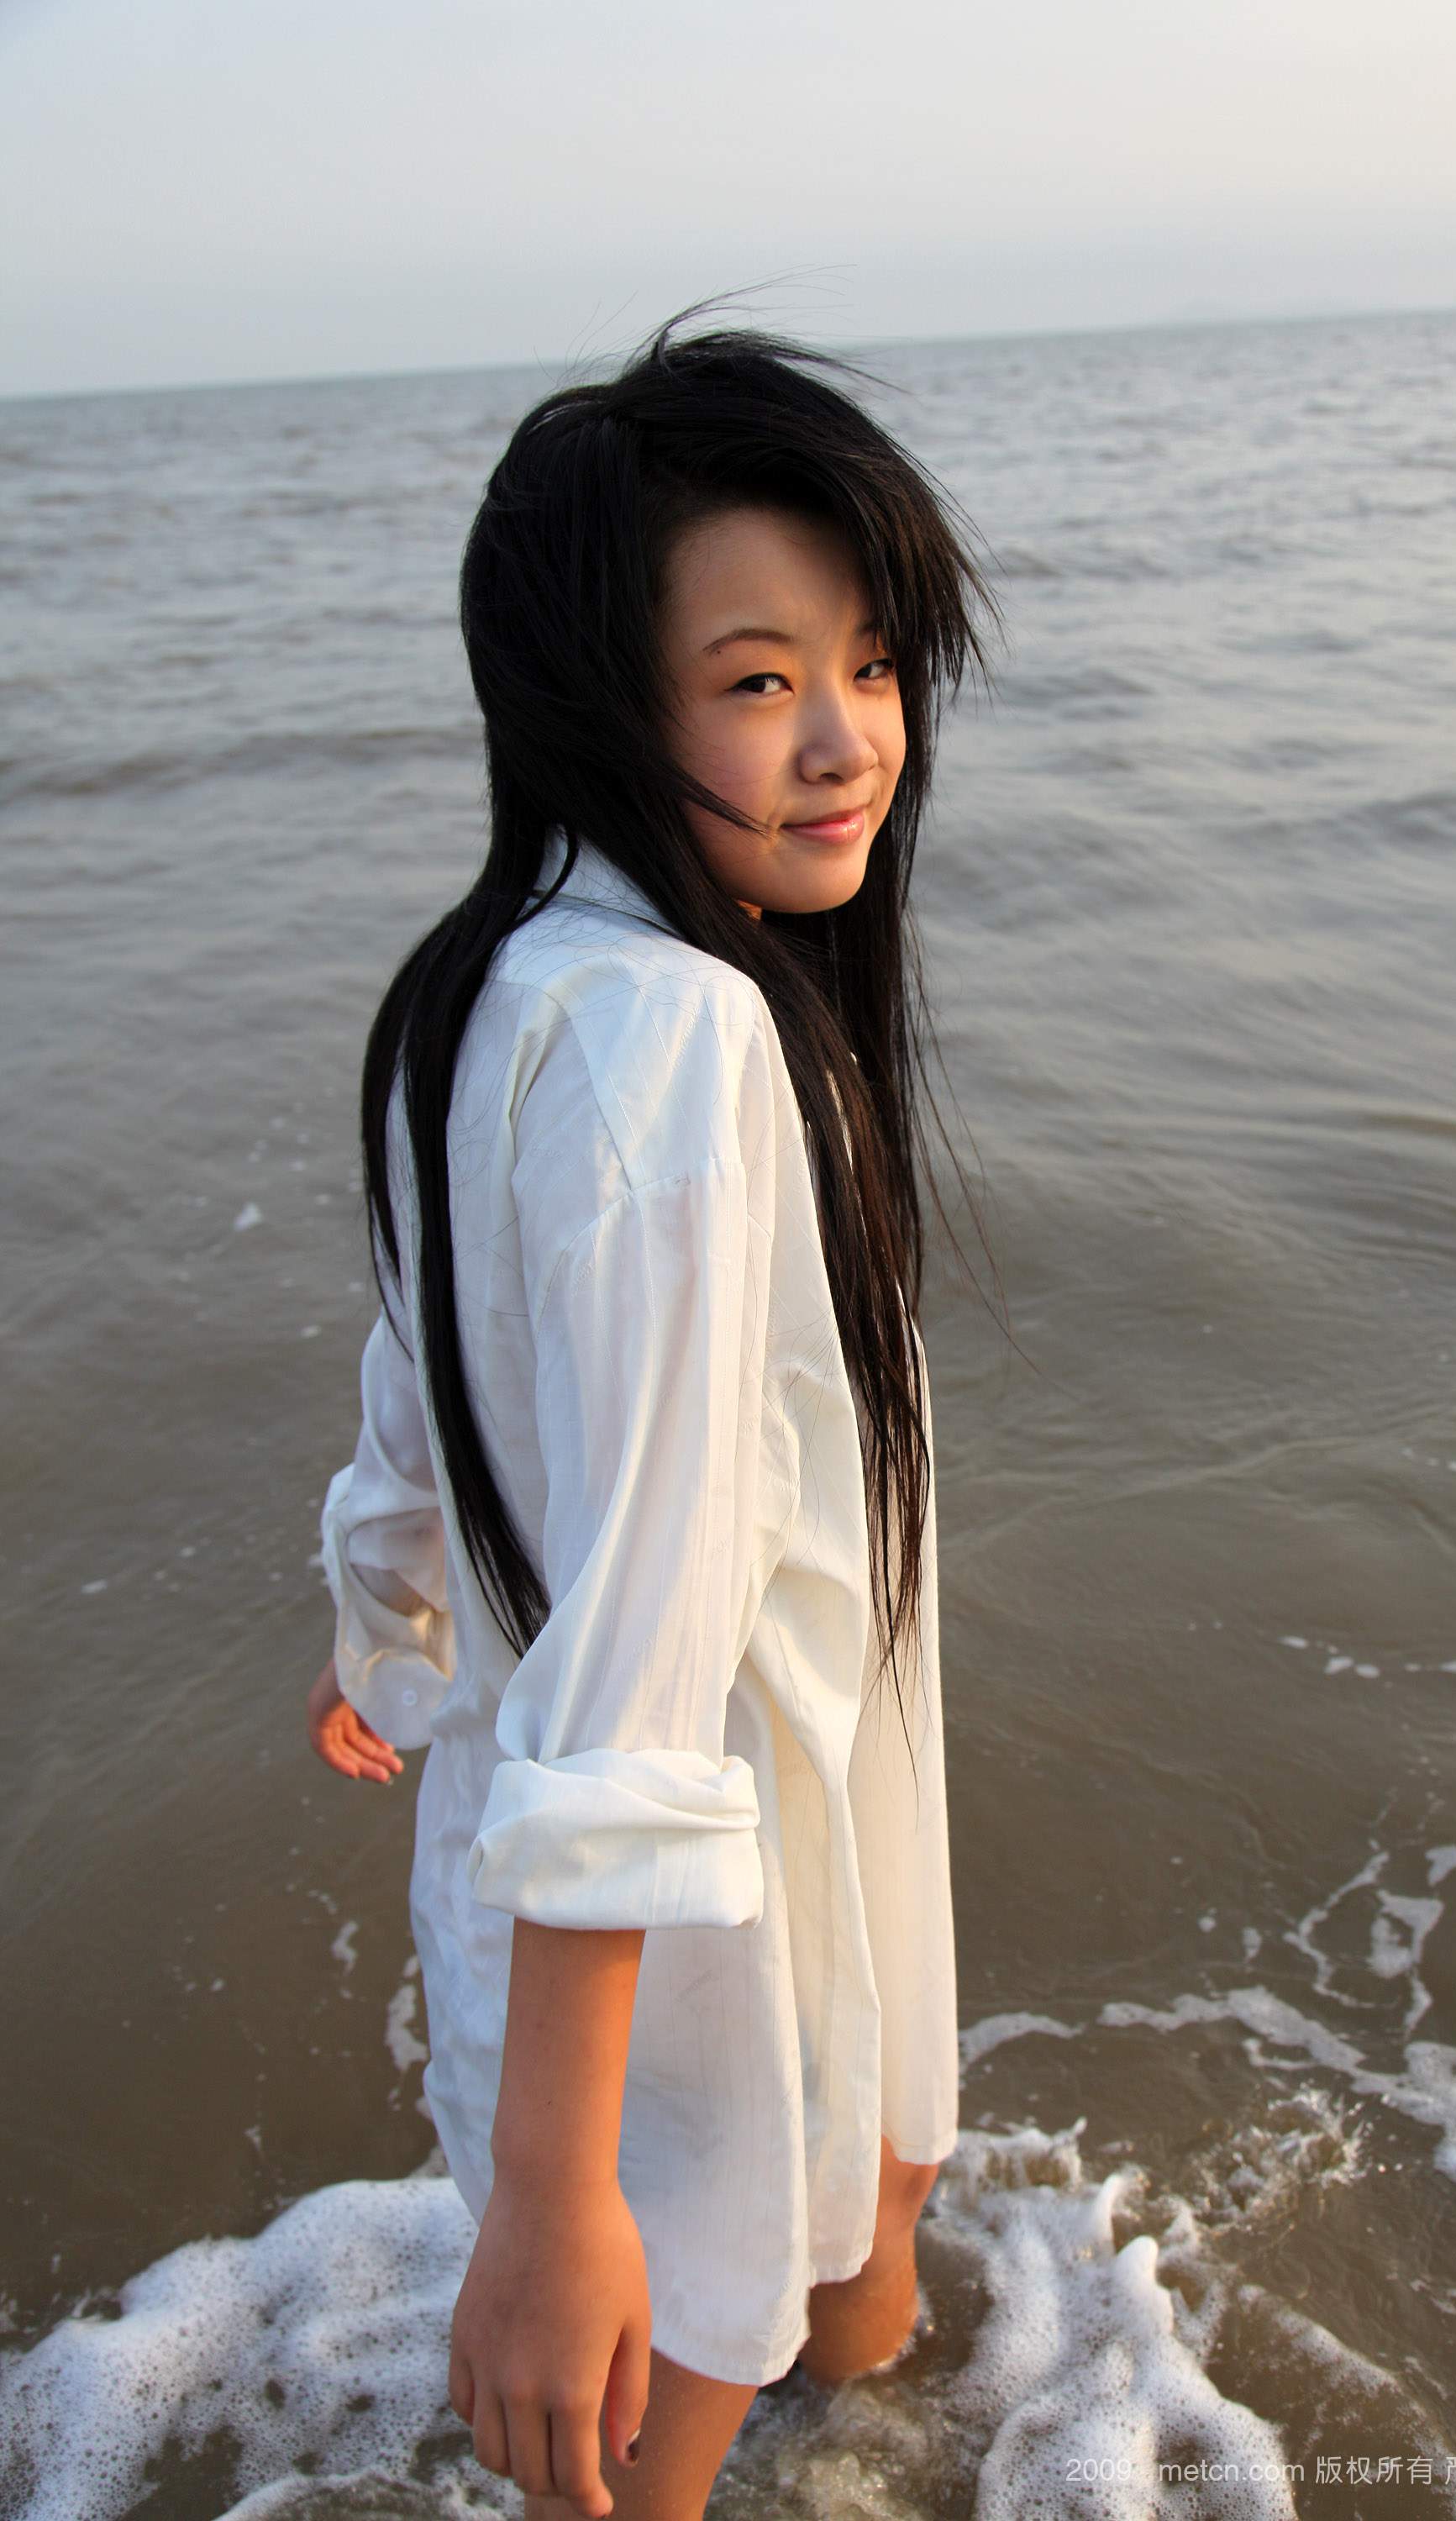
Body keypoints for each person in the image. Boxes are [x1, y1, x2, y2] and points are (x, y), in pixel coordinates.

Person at [304, 313, 994, 2520]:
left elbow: (425, 1372)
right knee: (678, 2353)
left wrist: (386, 1628)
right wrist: (547, 2198)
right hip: (703, 1852)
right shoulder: (675, 1034)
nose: (849, 739)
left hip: (699, 1786)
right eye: (758, 680)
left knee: (859, 2253)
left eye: (869, 662)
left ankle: (895, 2444)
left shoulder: (482, 981)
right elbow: (636, 1648)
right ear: (597, 700)